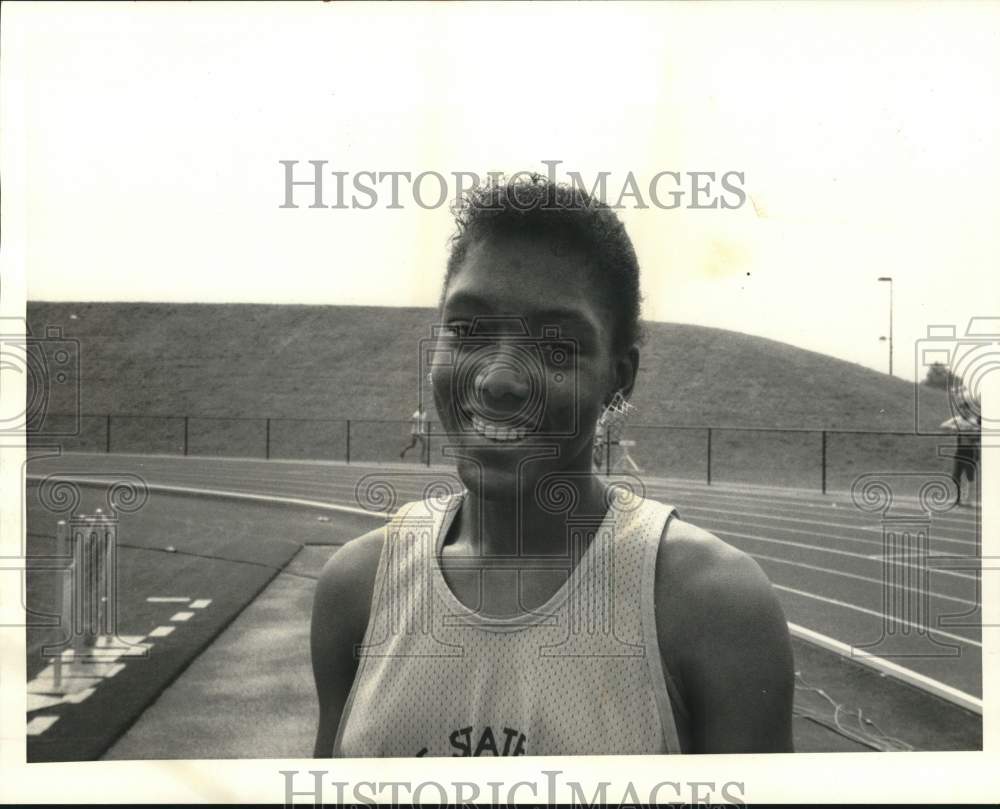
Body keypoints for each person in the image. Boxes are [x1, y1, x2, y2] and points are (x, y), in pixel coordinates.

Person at [311, 176, 794, 757]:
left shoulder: (714, 608)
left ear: (620, 376)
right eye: (467, 332)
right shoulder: (358, 591)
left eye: (555, 349)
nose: (499, 380)